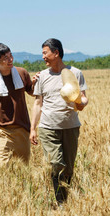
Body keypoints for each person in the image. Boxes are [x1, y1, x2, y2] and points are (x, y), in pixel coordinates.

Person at [30, 38, 89, 205]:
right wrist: (33, 128)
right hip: (48, 127)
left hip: (70, 126)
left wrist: (81, 103)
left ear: (56, 53)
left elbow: (83, 99)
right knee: (56, 164)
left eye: (45, 53)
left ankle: (64, 200)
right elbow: (37, 103)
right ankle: (60, 202)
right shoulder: (41, 76)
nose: (43, 57)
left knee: (68, 168)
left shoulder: (75, 73)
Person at [0, 43, 37, 165]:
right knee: (4, 168)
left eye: (10, 55)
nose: (10, 60)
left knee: (24, 168)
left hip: (22, 129)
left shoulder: (22, 73)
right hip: (1, 130)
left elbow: (32, 92)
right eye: (5, 58)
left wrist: (36, 83)